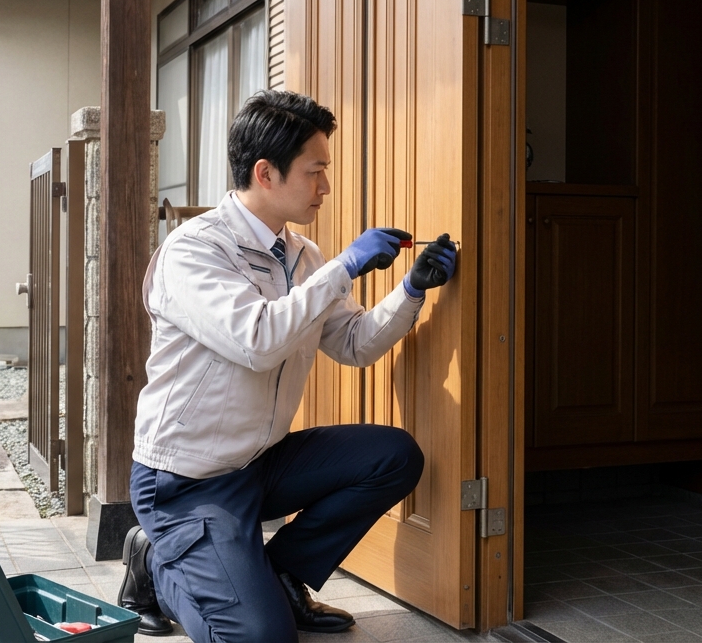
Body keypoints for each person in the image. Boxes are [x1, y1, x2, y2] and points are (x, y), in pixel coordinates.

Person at [116, 90, 458, 642]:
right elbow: (256, 340)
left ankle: (282, 573)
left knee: (392, 456)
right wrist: (346, 267)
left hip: (258, 464)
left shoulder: (303, 256)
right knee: (260, 639)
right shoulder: (194, 251)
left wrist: (411, 291)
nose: (325, 186)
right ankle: (155, 562)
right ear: (266, 173)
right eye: (314, 171)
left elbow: (354, 344)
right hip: (186, 481)